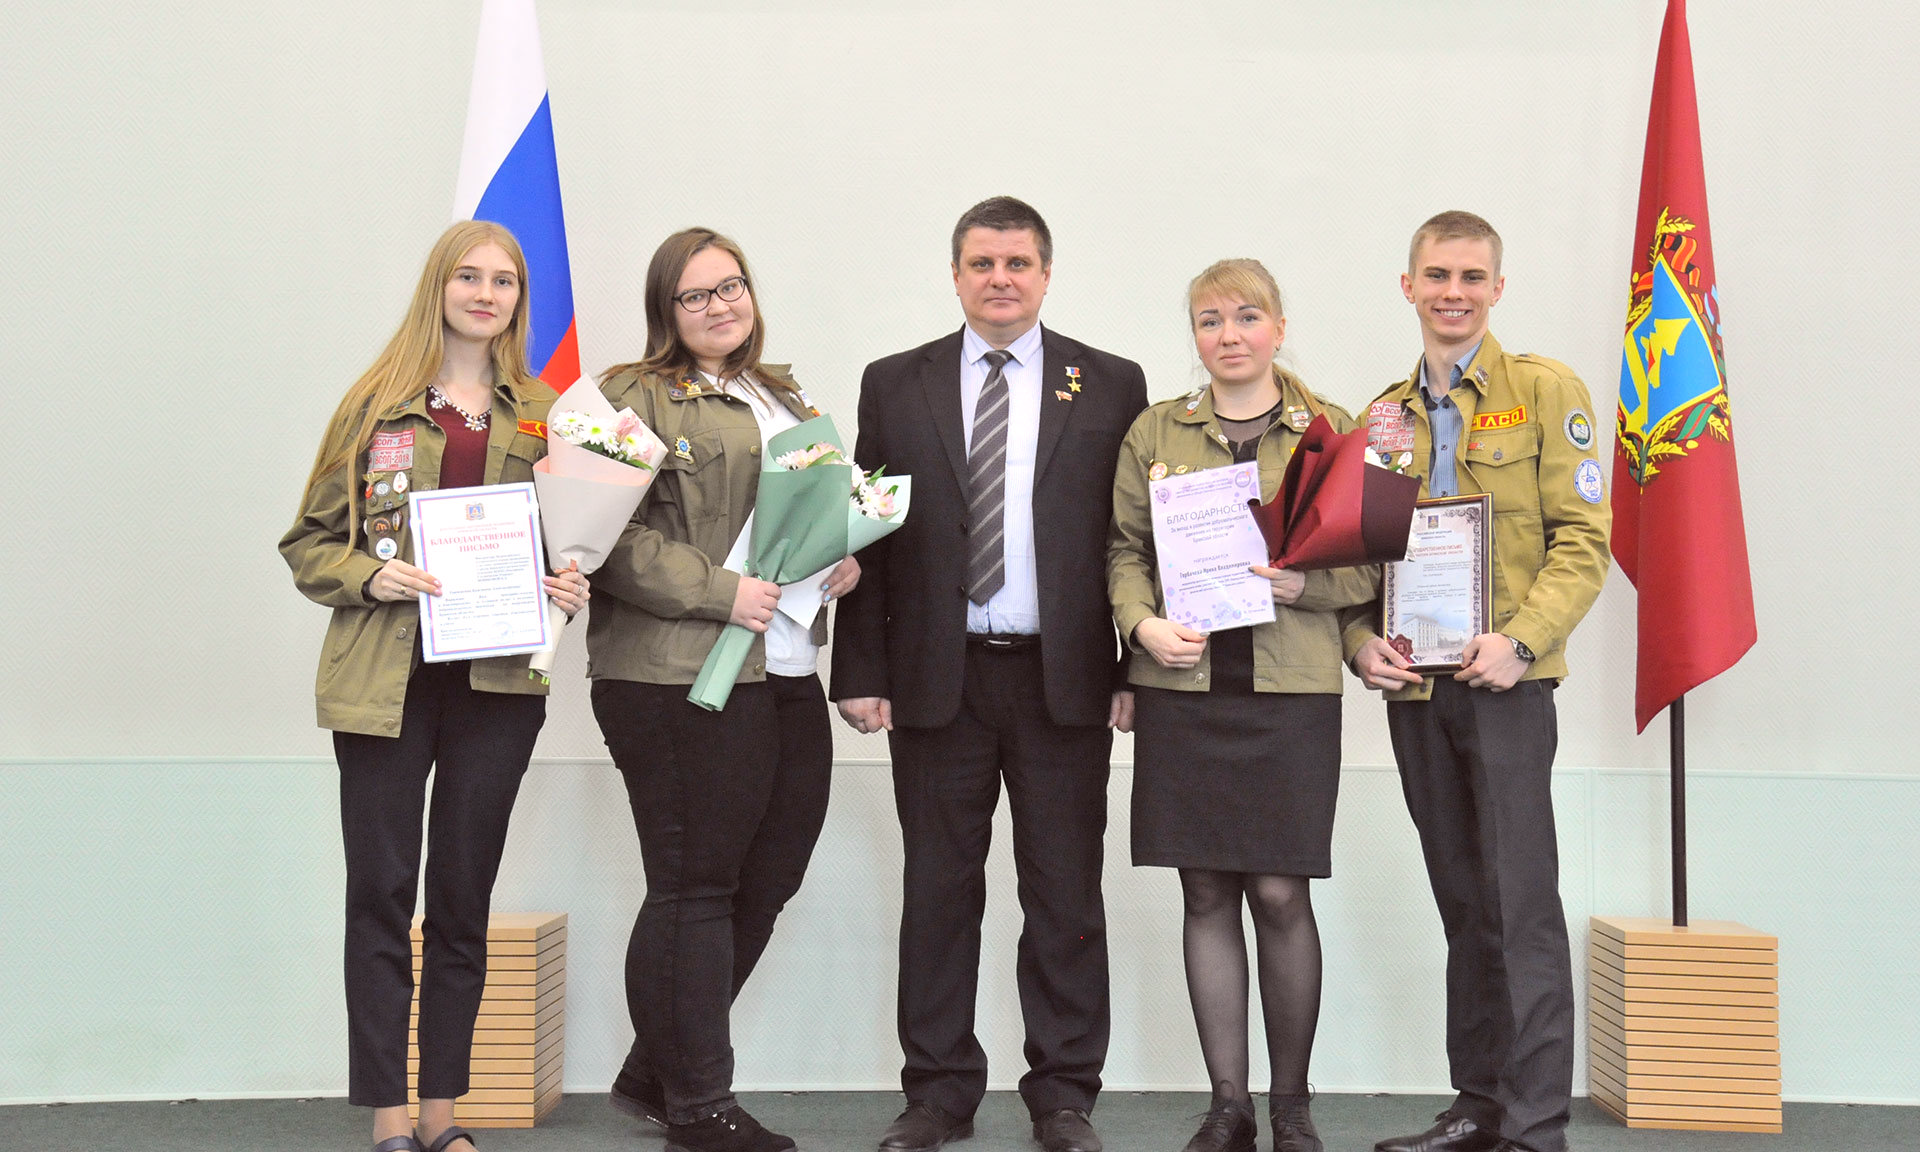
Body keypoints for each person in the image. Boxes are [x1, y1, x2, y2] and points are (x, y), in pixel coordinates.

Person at [830, 196, 1148, 1152]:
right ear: (956, 274)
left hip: (1065, 680)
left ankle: (1064, 1094)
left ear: (1046, 274)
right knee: (938, 891)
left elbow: (1134, 537)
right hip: (938, 680)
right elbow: (869, 533)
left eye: (1017, 263)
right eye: (982, 263)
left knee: (1065, 894)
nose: (999, 279)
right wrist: (859, 667)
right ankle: (937, 1093)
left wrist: (1135, 665)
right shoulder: (896, 382)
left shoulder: (1112, 382)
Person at [280, 219, 590, 1152]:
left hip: (497, 688)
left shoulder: (547, 415)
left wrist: (569, 579)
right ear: (439, 287)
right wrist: (371, 576)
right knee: (381, 892)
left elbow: (576, 537)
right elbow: (309, 543)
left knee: (463, 896)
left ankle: (445, 1115)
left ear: (519, 299)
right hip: (385, 683)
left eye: (504, 280)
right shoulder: (373, 405)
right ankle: (389, 1117)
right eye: (469, 276)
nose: (486, 294)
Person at [585, 227, 860, 1152]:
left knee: (769, 878)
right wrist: (720, 591)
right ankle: (699, 1105)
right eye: (695, 295)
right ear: (665, 309)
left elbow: (804, 515)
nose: (719, 306)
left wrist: (838, 558)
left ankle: (653, 1074)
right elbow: (600, 535)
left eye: (731, 286)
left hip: (783, 669)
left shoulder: (786, 396)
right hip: (676, 678)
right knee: (693, 886)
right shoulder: (629, 396)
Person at [1345, 212, 1609, 1152]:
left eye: (1470, 276)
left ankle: (1535, 1126)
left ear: (1498, 288)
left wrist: (1523, 643)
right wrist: (1359, 643)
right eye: (1436, 275)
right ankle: (1477, 1105)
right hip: (1418, 694)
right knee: (1463, 901)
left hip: (1505, 688)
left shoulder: (1544, 390)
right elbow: (1361, 554)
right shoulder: (1383, 417)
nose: (1452, 292)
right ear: (1407, 286)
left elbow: (1584, 541)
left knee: (1520, 904)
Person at [1107, 259, 1373, 1152]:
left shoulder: (1330, 432)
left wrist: (1308, 586)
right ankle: (1229, 1107)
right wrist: (1140, 625)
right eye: (1211, 320)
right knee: (1205, 890)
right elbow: (1123, 550)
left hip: (1289, 695)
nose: (1229, 335)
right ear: (1195, 335)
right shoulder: (1154, 431)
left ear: (1279, 326)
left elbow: (1377, 562)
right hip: (1183, 692)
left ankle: (1291, 1104)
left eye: (1247, 317)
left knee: (1281, 892)